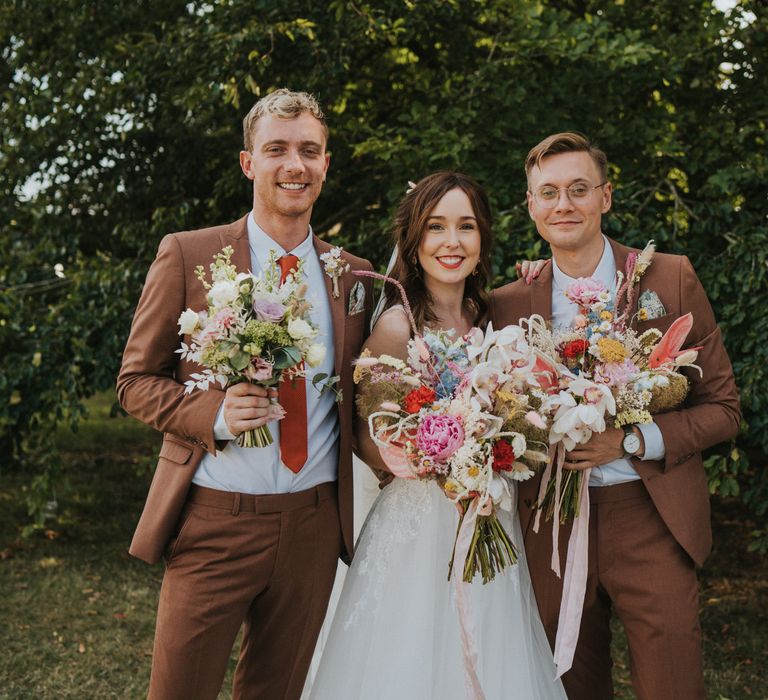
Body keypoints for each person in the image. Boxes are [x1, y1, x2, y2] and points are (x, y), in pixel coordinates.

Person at [116, 89, 374, 700]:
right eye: (277, 149)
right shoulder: (189, 254)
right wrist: (215, 414)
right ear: (247, 162)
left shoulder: (355, 276)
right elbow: (134, 381)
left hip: (313, 526)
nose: (295, 165)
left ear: (326, 164)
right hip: (214, 521)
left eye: (310, 151)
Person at [491, 132, 741, 700]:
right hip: (549, 523)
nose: (564, 205)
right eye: (548, 192)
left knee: (672, 682)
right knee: (568, 686)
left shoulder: (669, 278)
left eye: (579, 189)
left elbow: (724, 408)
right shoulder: (508, 301)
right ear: (530, 206)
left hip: (649, 516)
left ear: (605, 196)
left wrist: (630, 440)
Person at [308, 171, 566, 700]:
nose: (452, 242)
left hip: (489, 515)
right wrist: (419, 453)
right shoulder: (398, 326)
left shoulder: (494, 314)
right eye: (436, 227)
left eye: (466, 226)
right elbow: (366, 433)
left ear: (483, 237)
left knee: (494, 651)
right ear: (414, 239)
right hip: (419, 525)